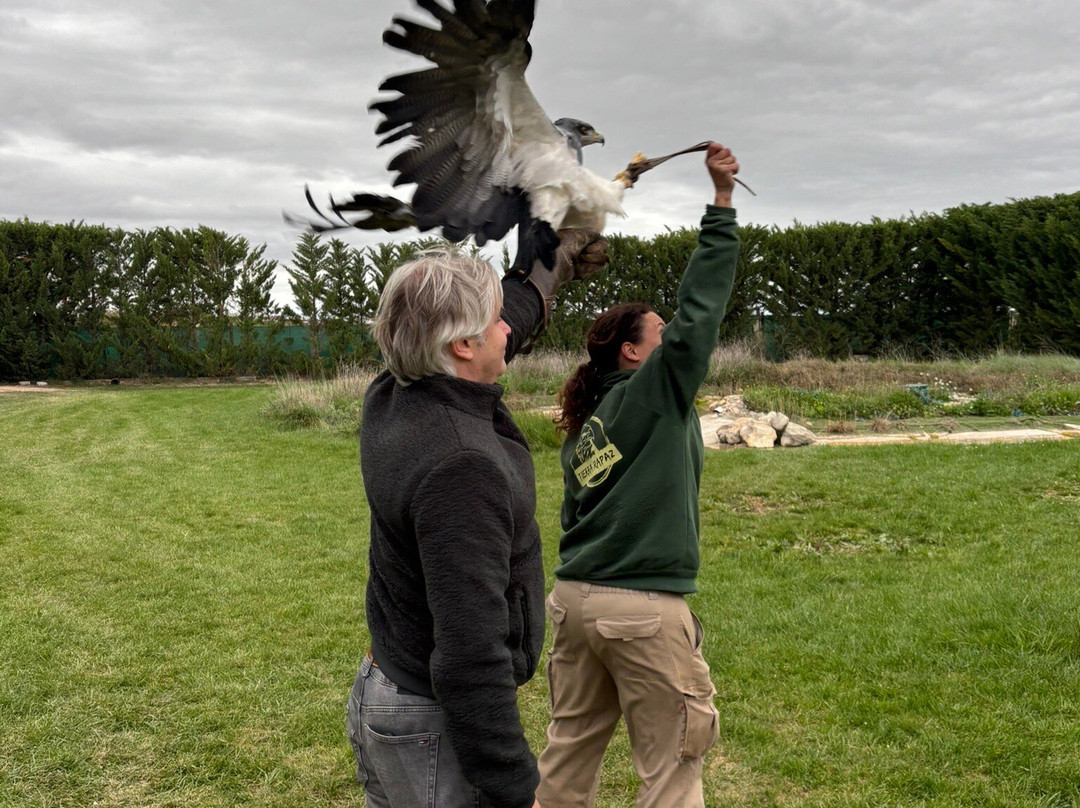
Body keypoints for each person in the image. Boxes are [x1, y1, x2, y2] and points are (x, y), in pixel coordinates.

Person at [347, 231, 607, 808]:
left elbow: (506, 319)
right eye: (494, 322)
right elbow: (468, 653)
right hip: (431, 721)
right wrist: (516, 787)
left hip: (387, 683)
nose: (506, 331)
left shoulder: (395, 390)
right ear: (463, 345)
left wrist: (543, 267)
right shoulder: (461, 468)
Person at [536, 142, 742, 808]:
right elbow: (702, 312)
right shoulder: (655, 390)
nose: (672, 338)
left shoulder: (586, 426)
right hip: (641, 613)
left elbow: (572, 518)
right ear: (634, 352)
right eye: (660, 333)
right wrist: (720, 202)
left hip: (572, 604)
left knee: (565, 763)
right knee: (672, 772)